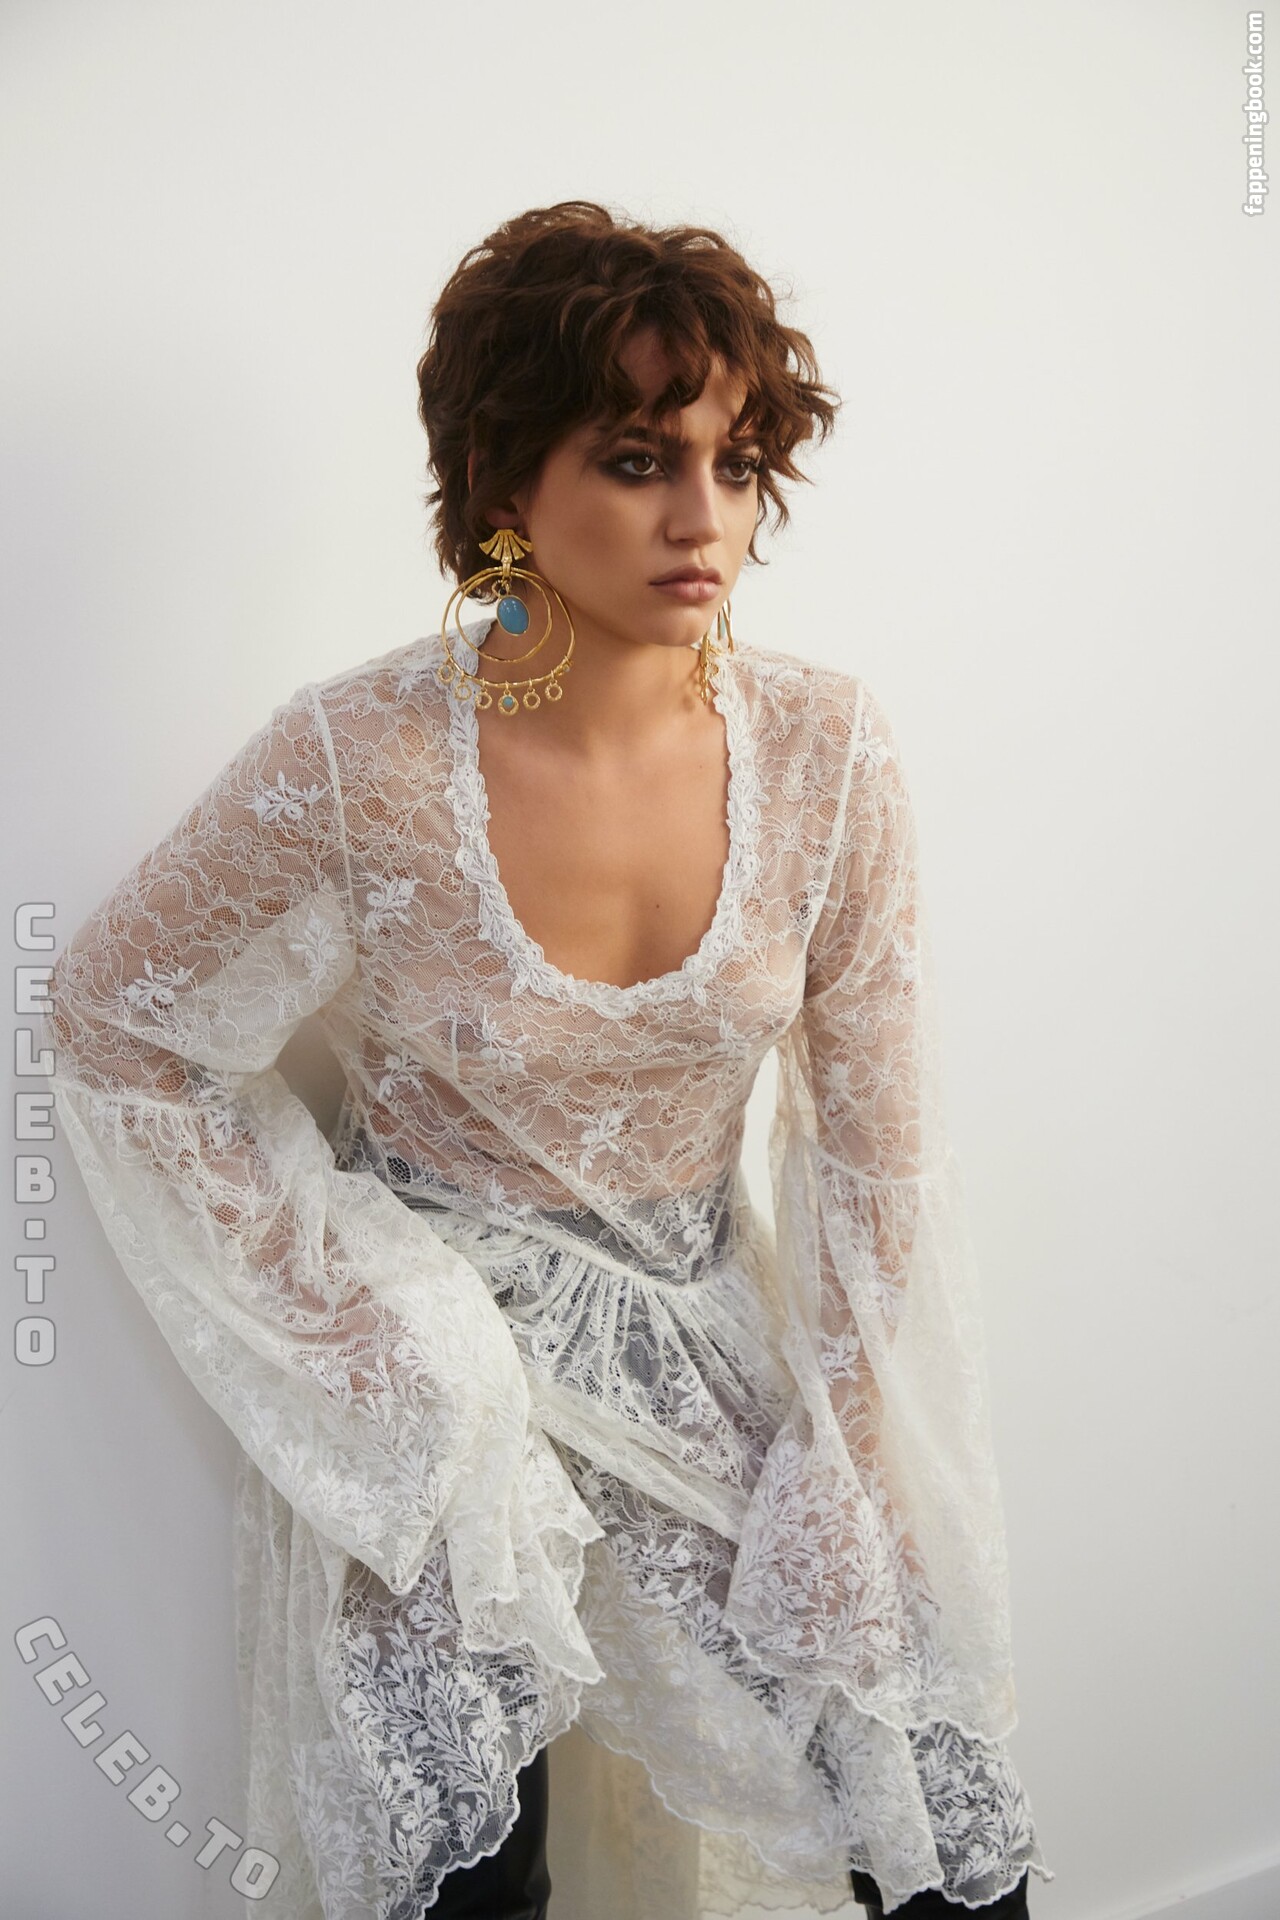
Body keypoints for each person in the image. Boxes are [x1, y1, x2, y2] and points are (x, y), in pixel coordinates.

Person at [42, 200, 1053, 1919]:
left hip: (705, 1352)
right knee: (467, 1869)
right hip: (446, 1387)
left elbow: (878, 1150)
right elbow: (115, 1018)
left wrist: (853, 1446)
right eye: (640, 459)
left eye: (738, 464)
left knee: (938, 1824)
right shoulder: (359, 758)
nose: (703, 518)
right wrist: (369, 1333)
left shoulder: (827, 752)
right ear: (503, 478)